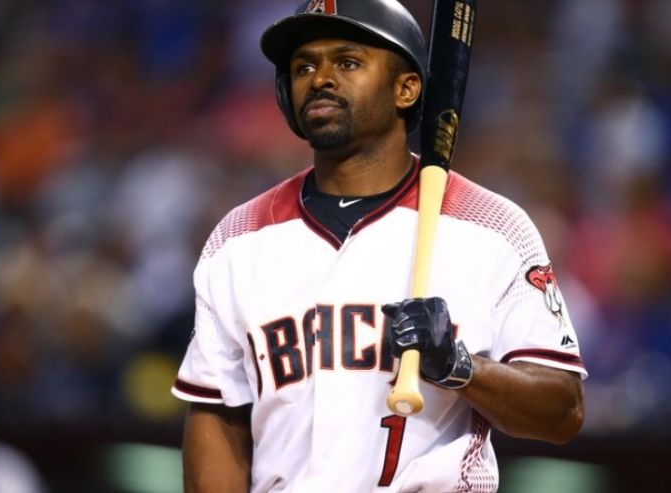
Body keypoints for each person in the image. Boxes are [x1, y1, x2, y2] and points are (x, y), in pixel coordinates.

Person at [171, 1, 586, 491]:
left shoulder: (491, 227)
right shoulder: (239, 238)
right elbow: (218, 417)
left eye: (346, 62)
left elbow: (562, 411)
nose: (319, 78)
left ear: (406, 88)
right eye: (304, 66)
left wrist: (460, 366)